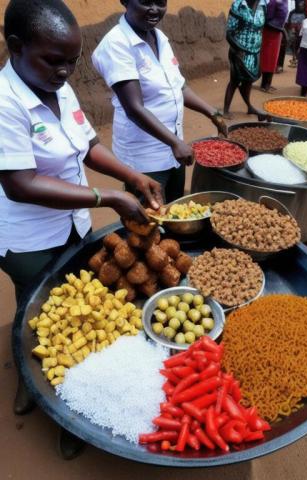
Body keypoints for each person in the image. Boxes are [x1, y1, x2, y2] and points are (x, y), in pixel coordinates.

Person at [0, 0, 163, 460]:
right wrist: (107, 197)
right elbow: (20, 184)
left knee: (78, 316)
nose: (66, 71)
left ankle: (77, 402)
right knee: (40, 318)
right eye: (55, 60)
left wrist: (129, 176)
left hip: (72, 223)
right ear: (16, 46)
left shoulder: (58, 87)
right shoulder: (5, 102)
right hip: (29, 237)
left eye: (72, 61)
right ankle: (40, 393)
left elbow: (88, 145)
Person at [92, 0, 226, 203]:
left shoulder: (159, 37)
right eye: (146, 2)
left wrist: (211, 112)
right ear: (125, 2)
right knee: (149, 223)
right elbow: (133, 108)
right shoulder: (116, 44)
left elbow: (178, 87)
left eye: (161, 2)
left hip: (174, 150)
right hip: (145, 157)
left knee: (175, 210)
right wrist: (175, 143)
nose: (154, 9)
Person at [223, 0, 268, 117]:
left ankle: (249, 107)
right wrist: (238, 50)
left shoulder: (263, 6)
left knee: (249, 81)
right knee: (235, 80)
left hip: (254, 52)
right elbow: (229, 33)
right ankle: (226, 110)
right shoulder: (238, 5)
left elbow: (261, 29)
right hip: (238, 51)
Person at [260, 0, 289, 92]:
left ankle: (268, 83)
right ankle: (265, 85)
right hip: (270, 33)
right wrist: (282, 30)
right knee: (268, 59)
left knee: (273, 59)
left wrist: (282, 30)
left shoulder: (285, 1)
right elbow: (267, 19)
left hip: (277, 33)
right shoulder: (273, 2)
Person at [286, 0, 306, 67]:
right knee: (292, 42)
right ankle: (294, 57)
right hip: (293, 31)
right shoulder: (292, 12)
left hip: (301, 32)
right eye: (299, 3)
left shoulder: (305, 13)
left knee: (299, 44)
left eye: (302, 4)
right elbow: (289, 22)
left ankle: (297, 59)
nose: (301, 5)